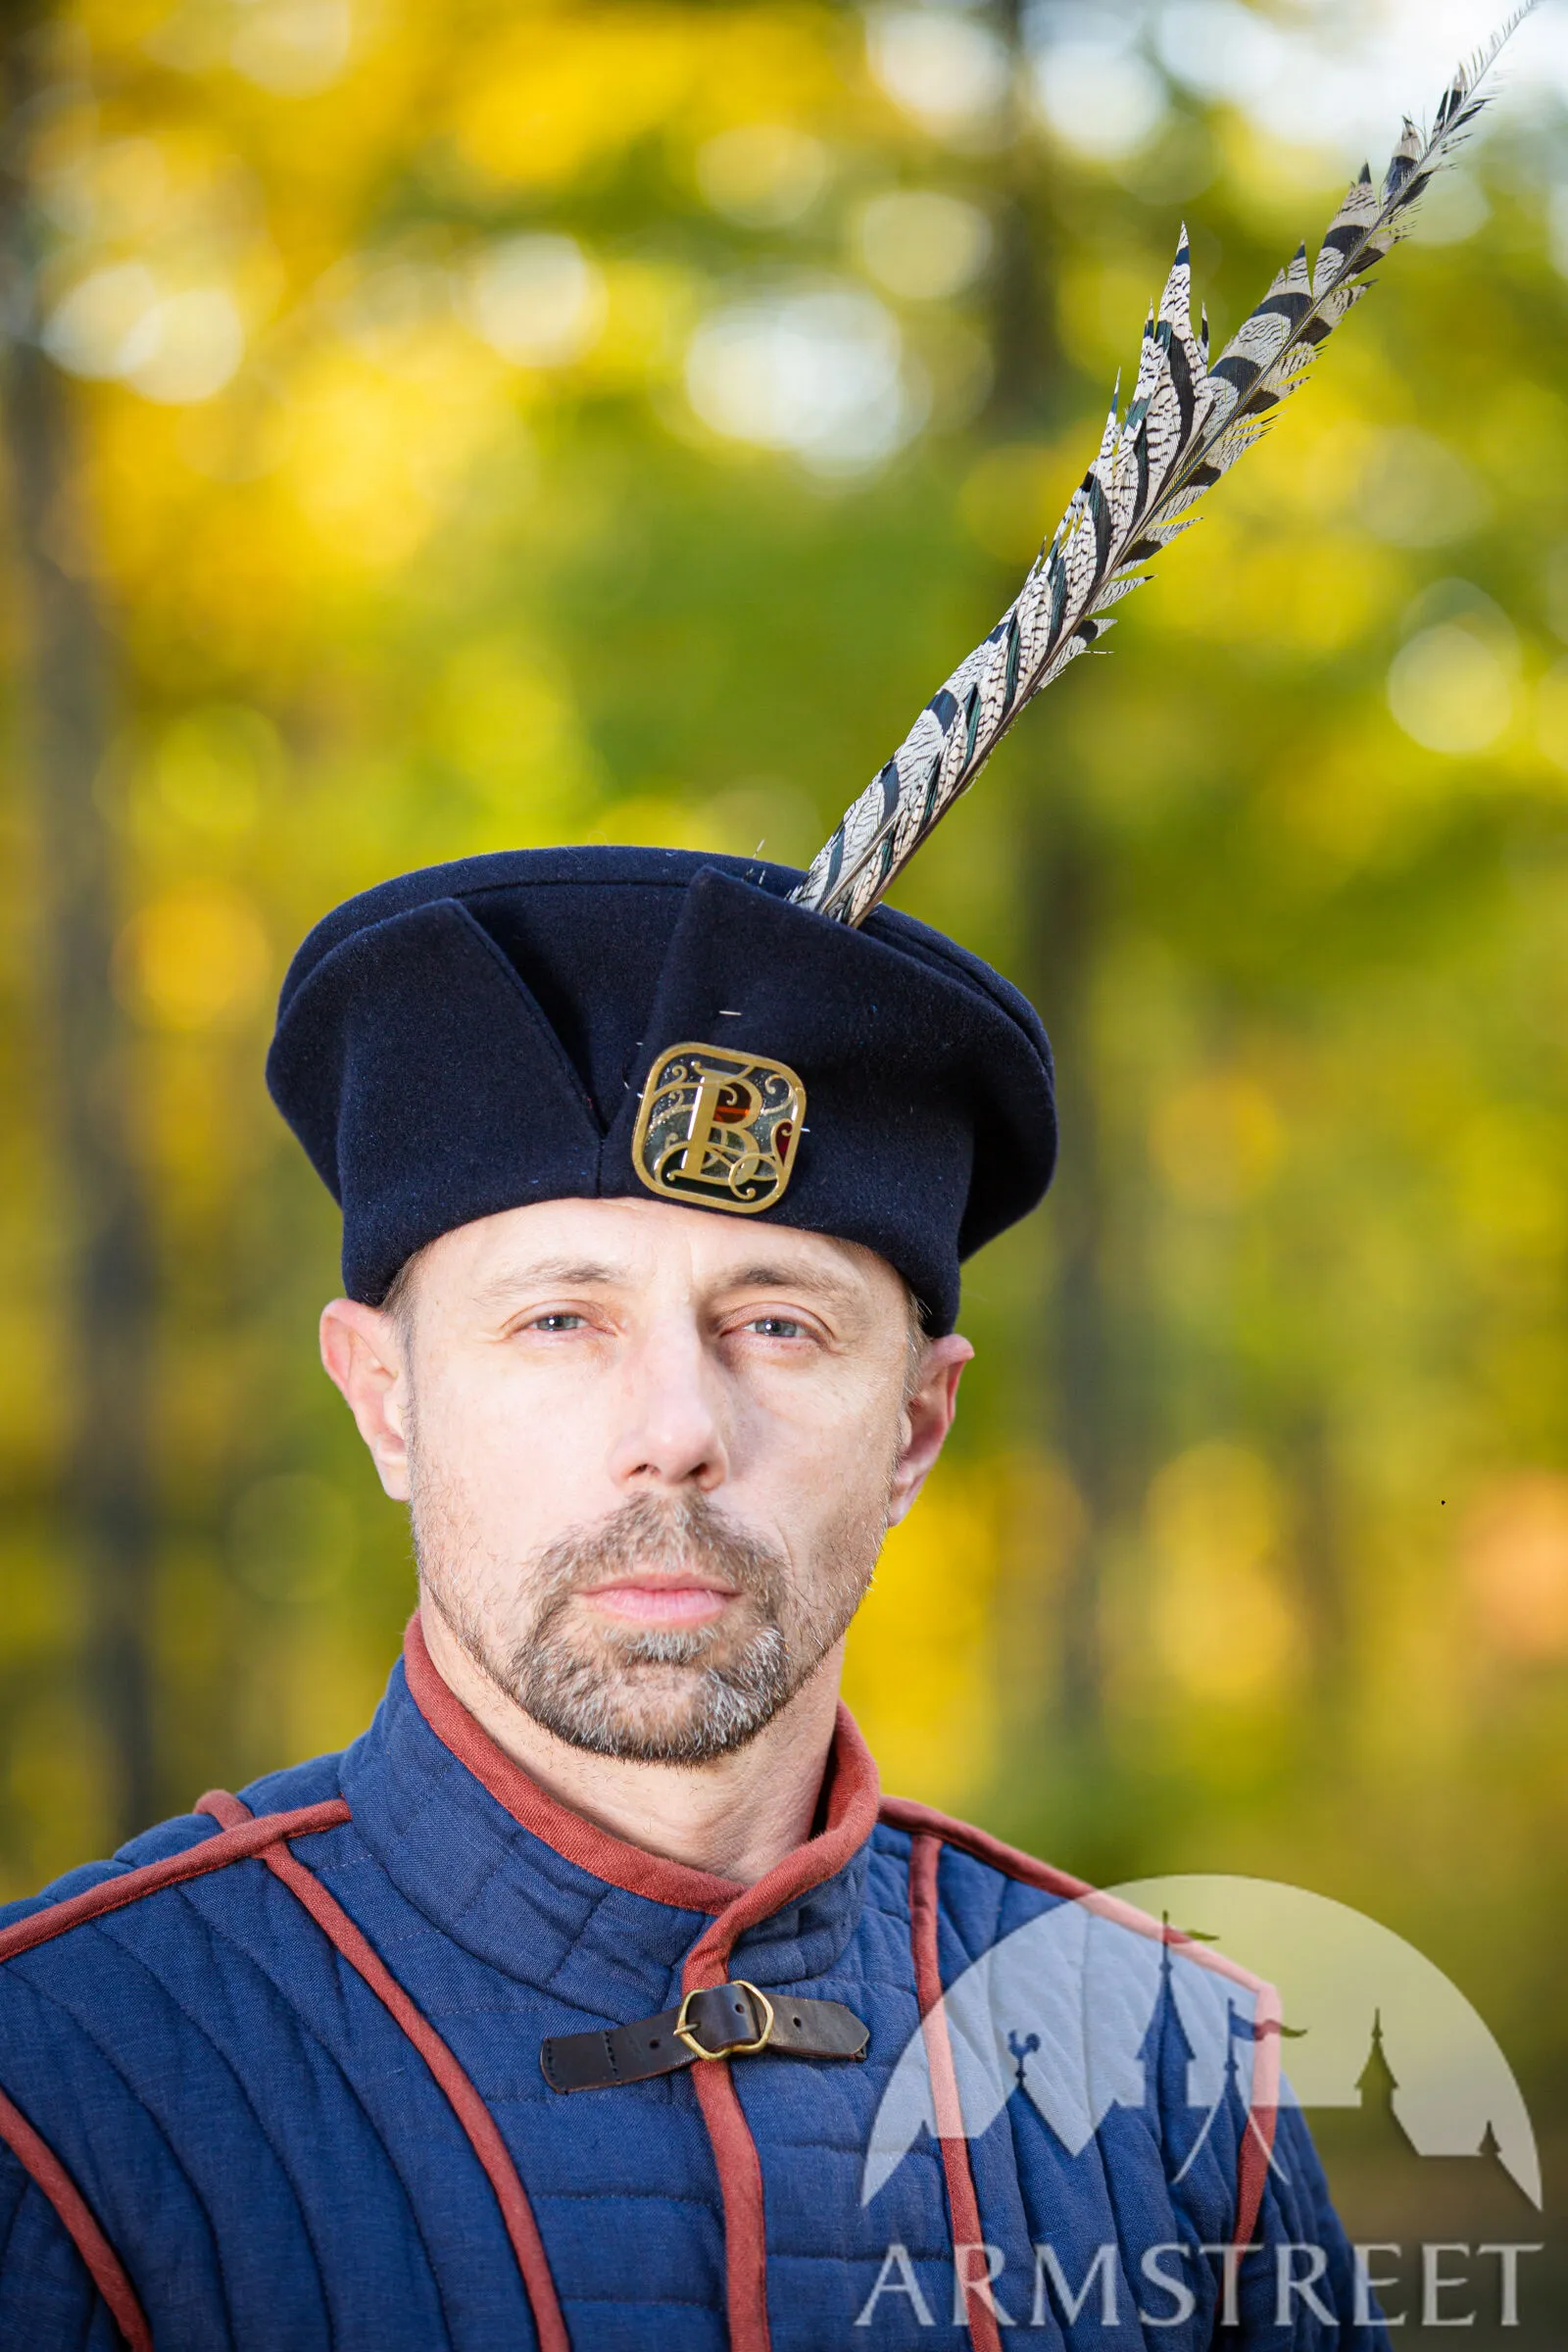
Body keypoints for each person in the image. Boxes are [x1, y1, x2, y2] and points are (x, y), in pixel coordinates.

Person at [0, 843, 1380, 2349]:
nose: (677, 1428)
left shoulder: (1181, 2092)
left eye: (778, 1324)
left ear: (914, 1427)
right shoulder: (59, 2092)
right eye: (559, 1320)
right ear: (387, 1402)